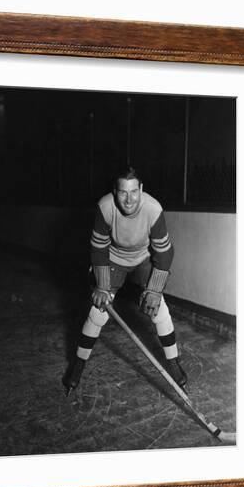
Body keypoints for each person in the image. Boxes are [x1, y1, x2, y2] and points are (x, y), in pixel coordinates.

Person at [62, 167, 186, 395]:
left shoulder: (153, 209)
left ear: (141, 189)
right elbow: (98, 247)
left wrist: (155, 291)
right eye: (122, 193)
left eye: (133, 192)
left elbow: (164, 253)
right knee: (98, 311)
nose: (128, 199)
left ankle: (173, 363)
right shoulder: (105, 207)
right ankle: (77, 365)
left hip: (143, 258)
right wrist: (101, 286)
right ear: (114, 192)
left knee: (158, 309)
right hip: (113, 259)